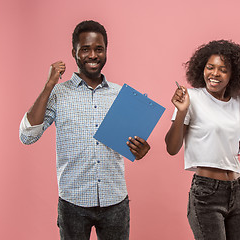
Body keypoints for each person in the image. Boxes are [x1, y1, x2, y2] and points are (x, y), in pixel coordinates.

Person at [19, 20, 150, 240]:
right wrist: (49, 85)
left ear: (106, 51)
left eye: (99, 49)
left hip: (115, 200)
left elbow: (132, 144)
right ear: (74, 53)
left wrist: (141, 150)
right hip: (73, 202)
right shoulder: (58, 94)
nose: (93, 55)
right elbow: (27, 136)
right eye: (85, 49)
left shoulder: (121, 95)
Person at [165, 40, 240, 240]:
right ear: (201, 69)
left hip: (237, 190)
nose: (214, 74)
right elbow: (172, 148)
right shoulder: (192, 98)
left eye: (223, 70)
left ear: (233, 75)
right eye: (210, 67)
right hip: (206, 192)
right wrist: (181, 112)